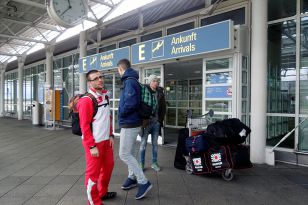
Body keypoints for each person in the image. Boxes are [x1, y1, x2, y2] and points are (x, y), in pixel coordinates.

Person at [77, 70, 116, 205]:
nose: (100, 80)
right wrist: (91, 146)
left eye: (101, 77)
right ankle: (94, 202)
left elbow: (107, 117)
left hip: (106, 141)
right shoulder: (86, 101)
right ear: (89, 83)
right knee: (93, 174)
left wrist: (110, 134)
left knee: (108, 167)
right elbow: (84, 126)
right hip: (94, 143)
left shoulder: (105, 96)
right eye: (95, 78)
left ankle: (102, 193)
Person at [117, 59, 152, 200]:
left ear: (120, 69)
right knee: (130, 152)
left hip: (129, 123)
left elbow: (130, 103)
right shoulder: (132, 80)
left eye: (118, 70)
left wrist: (121, 113)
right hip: (132, 122)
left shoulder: (130, 81)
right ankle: (132, 178)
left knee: (124, 154)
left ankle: (143, 182)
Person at [139, 74, 166, 171]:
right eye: (153, 81)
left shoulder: (160, 93)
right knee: (143, 144)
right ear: (150, 82)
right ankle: (141, 164)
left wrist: (160, 120)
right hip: (146, 122)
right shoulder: (145, 91)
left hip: (156, 123)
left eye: (157, 81)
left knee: (155, 144)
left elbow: (163, 108)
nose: (156, 82)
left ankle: (154, 163)